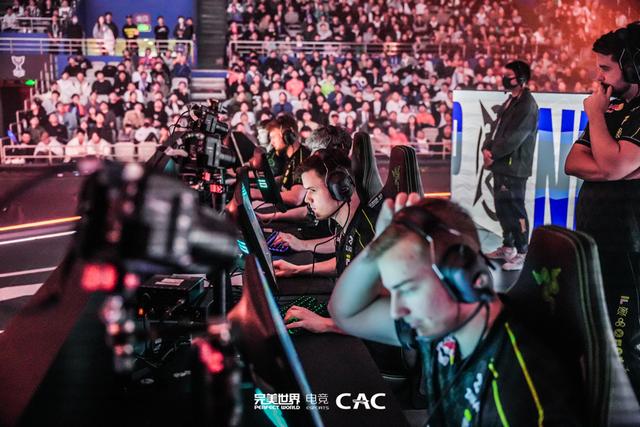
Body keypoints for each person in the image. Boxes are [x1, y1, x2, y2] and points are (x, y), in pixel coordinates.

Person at [329, 194, 584, 426]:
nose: (397, 310)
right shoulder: (441, 327)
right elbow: (345, 312)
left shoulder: (521, 395)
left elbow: (348, 314)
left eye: (408, 289)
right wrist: (380, 244)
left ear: (461, 276)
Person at [565, 23, 640, 399]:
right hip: (597, 240)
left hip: (629, 248)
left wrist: (596, 117)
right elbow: (573, 161)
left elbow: (609, 165)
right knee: (594, 334)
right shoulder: (613, 107)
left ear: (634, 66)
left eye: (606, 68)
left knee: (623, 345)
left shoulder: (604, 110)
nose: (600, 77)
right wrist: (614, 165)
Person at [482, 60, 539, 271]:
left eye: (509, 76)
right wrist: (486, 148)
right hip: (501, 165)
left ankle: (523, 252)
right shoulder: (509, 101)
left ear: (521, 79)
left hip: (515, 168)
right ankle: (508, 246)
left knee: (515, 209)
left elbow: (516, 138)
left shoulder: (527, 105)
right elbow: (495, 129)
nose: (505, 79)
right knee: (502, 208)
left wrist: (493, 154)